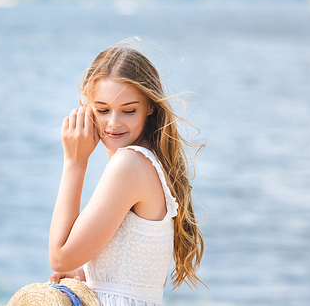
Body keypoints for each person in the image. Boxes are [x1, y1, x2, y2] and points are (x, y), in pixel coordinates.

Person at [48, 41, 205, 306]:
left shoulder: (129, 164)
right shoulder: (149, 162)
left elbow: (59, 257)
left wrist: (75, 161)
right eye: (102, 109)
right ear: (88, 107)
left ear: (151, 106)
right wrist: (88, 272)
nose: (113, 123)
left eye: (129, 110)